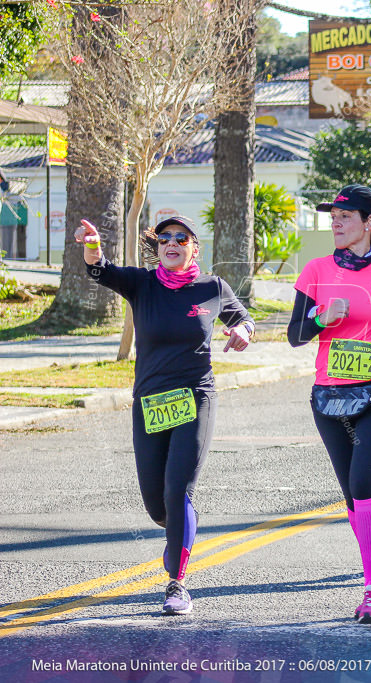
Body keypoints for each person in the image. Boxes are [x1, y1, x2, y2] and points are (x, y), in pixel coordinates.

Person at [75, 215, 254, 615]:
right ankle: (178, 526)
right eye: (164, 238)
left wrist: (244, 330)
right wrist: (91, 245)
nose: (171, 243)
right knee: (158, 506)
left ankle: (177, 583)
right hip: (151, 404)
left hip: (196, 398)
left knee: (178, 492)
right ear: (157, 247)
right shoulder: (142, 284)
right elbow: (99, 269)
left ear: (194, 246)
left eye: (181, 237)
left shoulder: (212, 287)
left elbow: (242, 317)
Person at [287, 185, 371, 624]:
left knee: (365, 483)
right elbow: (295, 334)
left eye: (346, 215)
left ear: (370, 222)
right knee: (352, 494)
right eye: (334, 216)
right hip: (330, 397)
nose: (337, 222)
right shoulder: (316, 270)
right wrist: (318, 319)